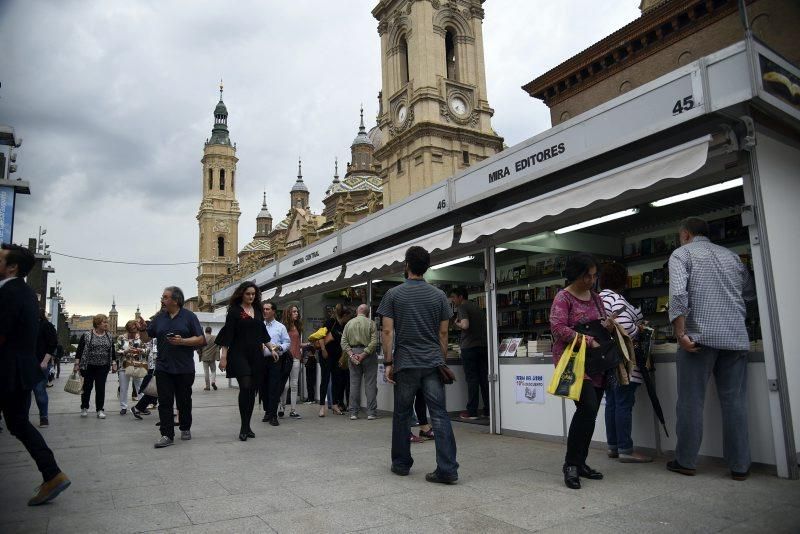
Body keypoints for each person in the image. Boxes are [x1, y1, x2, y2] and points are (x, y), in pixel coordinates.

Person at [667, 217, 756, 481]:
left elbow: (678, 295)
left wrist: (680, 332)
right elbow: (749, 295)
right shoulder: (732, 257)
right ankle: (740, 466)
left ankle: (686, 461)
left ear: (685, 235)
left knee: (691, 402)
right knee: (735, 403)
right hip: (735, 338)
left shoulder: (681, 254)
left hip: (698, 340)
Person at [377, 245, 458, 484]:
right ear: (427, 267)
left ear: (407, 265)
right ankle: (447, 468)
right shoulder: (439, 296)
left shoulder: (393, 294)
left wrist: (389, 362)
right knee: (440, 415)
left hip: (405, 363)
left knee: (402, 414)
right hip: (432, 362)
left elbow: (388, 331)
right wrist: (441, 360)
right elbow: (444, 334)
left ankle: (401, 464)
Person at [0, 243, 70, 505]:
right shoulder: (27, 293)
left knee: (18, 423)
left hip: (6, 370)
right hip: (19, 371)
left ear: (12, 267)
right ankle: (52, 474)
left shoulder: (10, 293)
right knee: (18, 424)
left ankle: (53, 475)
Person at [550, 253, 614, 490]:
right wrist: (587, 340)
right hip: (574, 361)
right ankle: (571, 465)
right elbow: (557, 328)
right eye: (587, 275)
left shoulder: (596, 298)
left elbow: (601, 322)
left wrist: (607, 325)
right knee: (587, 407)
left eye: (594, 275)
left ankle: (581, 462)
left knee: (591, 412)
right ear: (575, 274)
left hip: (596, 361)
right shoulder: (563, 297)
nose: (591, 280)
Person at [136, 286, 205, 449]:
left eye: (165, 297)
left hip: (184, 368)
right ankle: (166, 434)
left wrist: (183, 341)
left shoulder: (189, 316)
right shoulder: (159, 318)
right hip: (163, 367)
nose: (162, 300)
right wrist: (143, 329)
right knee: (165, 402)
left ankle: (185, 427)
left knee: (184, 401)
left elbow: (201, 339)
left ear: (176, 300)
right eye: (162, 297)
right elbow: (146, 339)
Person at [599, 262, 651, 463]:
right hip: (624, 360)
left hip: (606, 359)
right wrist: (640, 329)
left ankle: (613, 446)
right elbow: (626, 328)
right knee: (623, 402)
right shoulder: (617, 299)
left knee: (611, 402)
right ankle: (626, 449)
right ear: (623, 280)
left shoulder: (597, 299)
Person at [217, 282, 270, 441]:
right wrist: (223, 357)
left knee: (252, 390)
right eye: (248, 294)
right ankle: (243, 426)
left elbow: (262, 331)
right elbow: (228, 334)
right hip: (238, 353)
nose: (251, 297)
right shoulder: (234, 311)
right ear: (242, 294)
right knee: (245, 386)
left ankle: (247, 426)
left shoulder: (258, 310)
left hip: (256, 354)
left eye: (253, 294)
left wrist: (271, 348)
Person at [448, 287, 490, 420]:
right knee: (484, 379)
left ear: (460, 297)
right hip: (483, 347)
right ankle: (488, 410)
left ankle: (471, 411)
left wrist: (456, 323)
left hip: (469, 348)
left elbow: (465, 325)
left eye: (454, 297)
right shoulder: (477, 307)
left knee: (472, 379)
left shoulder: (462, 307)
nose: (453, 300)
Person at [74, 314, 115, 419]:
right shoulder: (87, 335)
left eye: (107, 322)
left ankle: (100, 409)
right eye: (104, 322)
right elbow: (80, 350)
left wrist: (114, 363)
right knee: (87, 388)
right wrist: (76, 364)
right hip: (88, 366)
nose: (107, 324)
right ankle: (84, 407)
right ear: (97, 323)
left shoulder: (109, 336)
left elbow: (112, 351)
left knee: (100, 388)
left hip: (103, 366)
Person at [342, 303, 379, 420]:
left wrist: (352, 354)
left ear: (357, 311)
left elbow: (343, 342)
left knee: (354, 384)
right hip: (369, 355)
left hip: (353, 353)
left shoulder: (349, 323)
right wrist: (364, 353)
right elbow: (374, 342)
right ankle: (371, 413)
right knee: (370, 384)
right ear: (367, 313)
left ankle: (353, 413)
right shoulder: (371, 323)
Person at [261, 301, 289, 426]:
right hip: (261, 361)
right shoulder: (260, 325)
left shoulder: (280, 327)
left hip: (275, 361)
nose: (265, 311)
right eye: (264, 309)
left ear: (273, 311)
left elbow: (287, 343)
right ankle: (267, 411)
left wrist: (280, 347)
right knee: (263, 388)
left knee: (274, 387)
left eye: (267, 309)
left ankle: (273, 415)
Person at [321, 304, 352, 416]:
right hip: (326, 355)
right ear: (344, 315)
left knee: (336, 380)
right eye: (348, 316)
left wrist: (342, 356)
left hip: (337, 356)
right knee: (325, 379)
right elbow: (320, 336)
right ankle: (322, 406)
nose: (349, 318)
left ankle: (335, 405)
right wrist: (323, 350)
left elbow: (343, 342)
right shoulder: (331, 322)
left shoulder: (343, 326)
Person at [115, 320, 148, 416]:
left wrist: (140, 350)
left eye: (135, 331)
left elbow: (147, 349)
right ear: (127, 330)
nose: (133, 334)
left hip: (137, 365)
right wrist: (126, 351)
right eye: (131, 332)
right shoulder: (121, 338)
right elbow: (116, 351)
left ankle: (141, 407)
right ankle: (123, 407)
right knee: (123, 388)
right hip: (123, 366)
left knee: (140, 387)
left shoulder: (140, 338)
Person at [31, 309, 57, 427]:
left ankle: (44, 417)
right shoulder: (23, 325)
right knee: (24, 392)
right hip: (24, 363)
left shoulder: (46, 325)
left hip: (40, 363)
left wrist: (45, 361)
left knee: (39, 390)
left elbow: (52, 344)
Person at [280, 304, 304, 419]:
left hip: (296, 358)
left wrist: (309, 344)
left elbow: (298, 344)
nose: (296, 313)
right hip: (285, 359)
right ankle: (282, 407)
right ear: (288, 313)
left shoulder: (297, 326)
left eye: (297, 311)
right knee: (285, 385)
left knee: (294, 385)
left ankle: (293, 410)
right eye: (294, 312)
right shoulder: (283, 327)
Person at [131, 335, 158, 419]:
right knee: (154, 390)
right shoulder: (156, 338)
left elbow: (150, 351)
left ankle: (138, 408)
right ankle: (138, 407)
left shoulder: (156, 338)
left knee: (155, 390)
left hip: (156, 366)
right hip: (156, 367)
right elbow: (154, 352)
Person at [200, 326, 220, 391]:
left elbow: (199, 348)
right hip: (212, 357)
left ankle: (207, 386)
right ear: (211, 331)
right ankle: (213, 382)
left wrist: (200, 354)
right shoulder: (215, 337)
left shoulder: (203, 338)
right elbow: (219, 345)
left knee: (206, 373)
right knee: (213, 371)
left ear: (205, 331)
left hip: (204, 357)